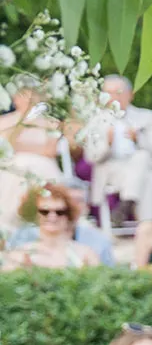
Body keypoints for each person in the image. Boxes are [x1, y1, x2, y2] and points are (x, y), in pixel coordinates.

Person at [85, 75, 152, 223]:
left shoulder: (147, 116)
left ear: (130, 94)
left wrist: (138, 138)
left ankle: (127, 204)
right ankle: (146, 224)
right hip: (111, 171)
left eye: (119, 92)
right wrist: (108, 143)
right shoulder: (96, 120)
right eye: (109, 93)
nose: (114, 97)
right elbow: (91, 156)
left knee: (143, 160)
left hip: (140, 170)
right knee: (147, 175)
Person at [0, 86, 67, 242]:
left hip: (42, 164)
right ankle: (10, 221)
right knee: (18, 167)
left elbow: (50, 151)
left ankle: (43, 213)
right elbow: (6, 147)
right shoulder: (6, 121)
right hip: (14, 163)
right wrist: (22, 122)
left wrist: (24, 148)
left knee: (32, 165)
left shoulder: (51, 123)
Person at [2, 183, 101, 270]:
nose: (52, 216)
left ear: (68, 215)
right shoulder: (20, 255)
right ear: (35, 214)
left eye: (59, 212)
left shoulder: (85, 255)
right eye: (44, 211)